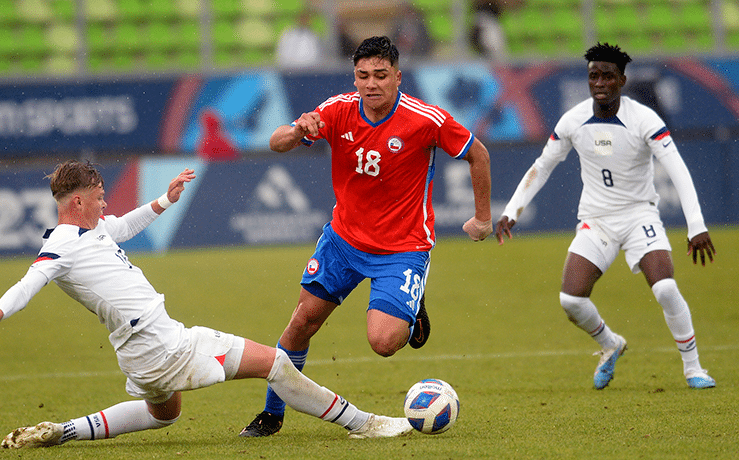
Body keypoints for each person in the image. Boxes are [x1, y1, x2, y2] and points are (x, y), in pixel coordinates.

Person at [0, 160, 413, 449]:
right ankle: (364, 423)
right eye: (99, 198)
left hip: (138, 352)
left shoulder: (90, 230)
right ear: (77, 201)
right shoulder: (61, 244)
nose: (104, 205)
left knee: (165, 415)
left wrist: (163, 199)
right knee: (275, 363)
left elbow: (123, 225)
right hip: (163, 344)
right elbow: (30, 280)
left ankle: (64, 431)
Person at [239, 36, 492, 437]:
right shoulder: (337, 110)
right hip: (343, 242)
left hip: (402, 248)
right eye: (362, 75)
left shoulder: (425, 118)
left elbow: (477, 153)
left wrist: (481, 217)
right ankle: (272, 414)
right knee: (302, 322)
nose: (371, 83)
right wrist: (297, 130)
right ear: (354, 77)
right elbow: (277, 141)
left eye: (380, 75)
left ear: (397, 77)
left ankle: (411, 309)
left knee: (384, 342)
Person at [495, 43, 717, 390]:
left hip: (639, 215)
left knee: (666, 288)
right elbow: (542, 165)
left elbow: (678, 171)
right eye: (593, 75)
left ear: (622, 80)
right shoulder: (573, 120)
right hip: (596, 220)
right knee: (570, 299)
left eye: (607, 76)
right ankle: (610, 343)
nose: (599, 82)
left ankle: (694, 368)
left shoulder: (644, 119)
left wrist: (696, 225)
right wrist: (512, 210)